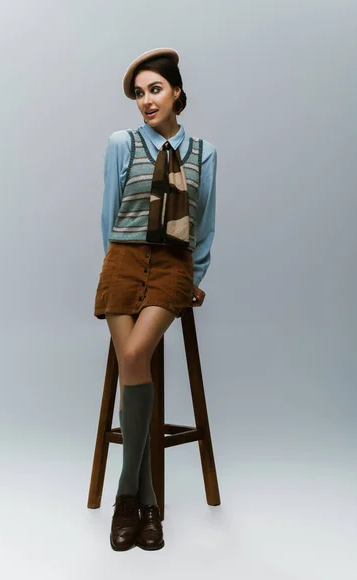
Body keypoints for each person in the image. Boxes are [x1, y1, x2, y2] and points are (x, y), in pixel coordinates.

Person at [94, 48, 217, 551]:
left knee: (133, 354)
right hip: (122, 260)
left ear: (177, 92)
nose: (146, 101)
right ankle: (146, 507)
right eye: (140, 94)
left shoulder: (203, 151)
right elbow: (109, 213)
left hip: (171, 265)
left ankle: (125, 495)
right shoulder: (121, 143)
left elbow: (204, 224)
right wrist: (114, 265)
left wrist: (196, 275)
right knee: (132, 359)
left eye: (155, 89)